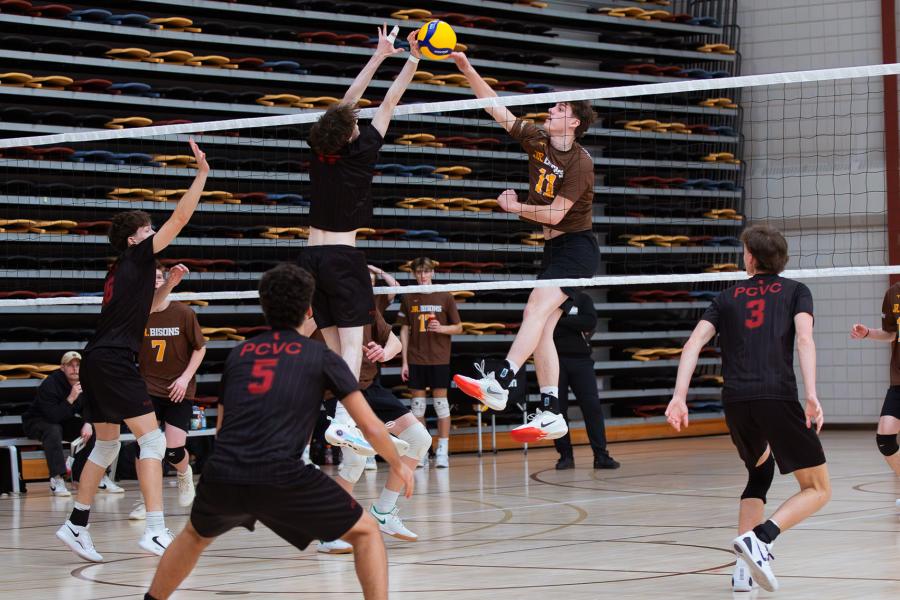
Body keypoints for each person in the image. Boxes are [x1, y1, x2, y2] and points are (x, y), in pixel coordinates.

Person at [144, 264, 413, 600]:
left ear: (264, 306)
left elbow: (223, 426)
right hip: (281, 474)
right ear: (311, 308)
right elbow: (370, 425)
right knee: (368, 533)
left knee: (193, 537)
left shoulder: (240, 354)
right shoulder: (320, 355)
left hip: (225, 471)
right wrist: (398, 463)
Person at [55, 139, 209, 563]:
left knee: (105, 446)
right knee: (153, 440)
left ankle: (76, 525)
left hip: (97, 361)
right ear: (134, 239)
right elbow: (180, 217)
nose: (153, 235)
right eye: (147, 231)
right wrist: (201, 176)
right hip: (114, 361)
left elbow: (150, 307)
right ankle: (156, 530)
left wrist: (170, 284)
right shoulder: (138, 257)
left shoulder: (120, 272)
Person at [664, 225, 831, 593]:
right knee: (818, 488)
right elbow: (805, 339)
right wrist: (813, 393)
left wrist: (679, 396)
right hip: (776, 396)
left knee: (759, 474)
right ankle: (763, 537)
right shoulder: (797, 291)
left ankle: (742, 572)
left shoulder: (726, 297)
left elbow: (693, 344)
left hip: (736, 401)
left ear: (751, 258)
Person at [448, 52, 598, 443]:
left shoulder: (581, 163)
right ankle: (551, 411)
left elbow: (555, 215)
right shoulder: (538, 140)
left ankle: (501, 379)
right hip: (554, 251)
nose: (551, 109)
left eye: (560, 107)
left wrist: (514, 207)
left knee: (534, 307)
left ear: (575, 121)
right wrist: (467, 69)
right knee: (544, 328)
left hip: (577, 248)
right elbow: (497, 109)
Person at [298, 27, 421, 457]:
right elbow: (388, 103)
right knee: (351, 349)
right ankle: (346, 421)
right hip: (343, 257)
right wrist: (412, 59)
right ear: (352, 132)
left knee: (335, 350)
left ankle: (340, 420)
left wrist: (379, 55)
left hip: (310, 258)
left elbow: (341, 108)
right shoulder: (363, 150)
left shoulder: (320, 148)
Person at [129, 262, 207, 519]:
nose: (155, 281)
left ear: (167, 281)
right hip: (147, 389)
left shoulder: (183, 313)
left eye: (159, 277)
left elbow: (200, 348)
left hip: (177, 389)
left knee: (173, 451)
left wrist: (185, 378)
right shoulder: (137, 314)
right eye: (150, 277)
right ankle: (146, 500)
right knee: (144, 449)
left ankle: (184, 474)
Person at [22, 351, 122, 496]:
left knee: (94, 429)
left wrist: (88, 422)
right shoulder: (50, 384)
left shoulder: (85, 383)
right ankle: (57, 478)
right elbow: (52, 416)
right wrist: (71, 398)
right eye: (70, 365)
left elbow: (91, 407)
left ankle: (87, 476)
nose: (75, 369)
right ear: (62, 368)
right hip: (37, 421)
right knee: (53, 430)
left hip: (62, 420)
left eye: (78, 365)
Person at [398, 257, 462, 468]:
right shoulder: (408, 297)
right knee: (417, 408)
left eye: (426, 271)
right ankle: (422, 451)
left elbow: (459, 327)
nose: (423, 275)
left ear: (433, 272)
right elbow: (404, 330)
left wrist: (442, 329)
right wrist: (405, 361)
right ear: (414, 274)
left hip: (439, 358)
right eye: (418, 272)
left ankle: (442, 451)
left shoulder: (445, 295)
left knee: (441, 406)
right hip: (416, 358)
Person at [550, 291, 619, 471]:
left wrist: (558, 321)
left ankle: (601, 456)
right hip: (554, 361)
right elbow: (543, 326)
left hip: (581, 361)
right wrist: (573, 324)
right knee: (558, 410)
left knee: (592, 407)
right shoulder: (547, 300)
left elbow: (590, 321)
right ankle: (565, 456)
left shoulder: (582, 299)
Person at [849, 287, 900, 509]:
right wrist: (868, 333)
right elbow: (891, 334)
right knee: (885, 437)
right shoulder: (894, 293)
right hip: (899, 378)